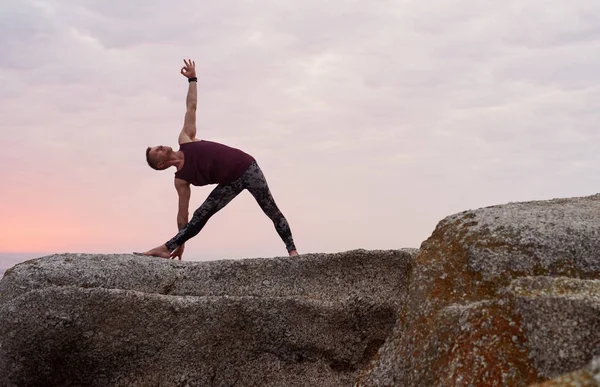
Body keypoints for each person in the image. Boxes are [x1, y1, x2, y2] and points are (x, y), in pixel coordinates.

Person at [135, 59, 298, 260]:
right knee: (200, 214)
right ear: (160, 164)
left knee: (271, 209)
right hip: (229, 183)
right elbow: (182, 216)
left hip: (247, 167)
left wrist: (192, 79)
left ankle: (292, 252)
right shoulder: (181, 180)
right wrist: (181, 242)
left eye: (157, 146)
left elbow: (191, 107)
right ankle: (167, 247)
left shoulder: (185, 139)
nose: (160, 146)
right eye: (156, 151)